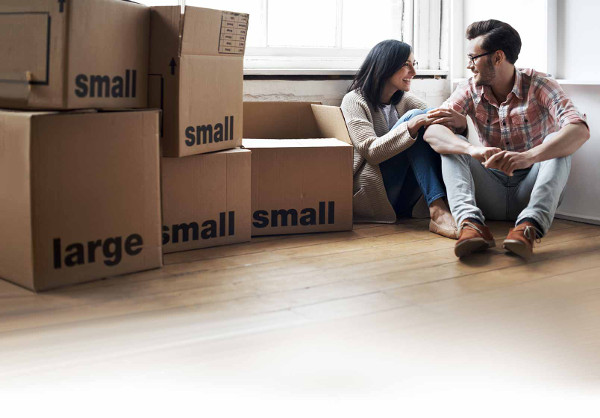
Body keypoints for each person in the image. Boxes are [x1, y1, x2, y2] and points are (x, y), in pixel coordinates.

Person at [424, 19, 590, 259]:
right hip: (489, 189)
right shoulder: (469, 88)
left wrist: (527, 157)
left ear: (498, 57)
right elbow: (432, 131)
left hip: (531, 189)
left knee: (558, 143)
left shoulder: (540, 84)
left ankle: (528, 227)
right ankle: (471, 225)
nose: (469, 65)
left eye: (473, 58)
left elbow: (580, 129)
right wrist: (472, 149)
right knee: (452, 146)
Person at [340, 39, 457, 239]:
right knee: (415, 120)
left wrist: (457, 120)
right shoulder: (354, 100)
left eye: (414, 64)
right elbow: (371, 152)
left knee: (427, 118)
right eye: (406, 64)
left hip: (407, 196)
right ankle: (438, 210)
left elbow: (434, 116)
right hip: (377, 193)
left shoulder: (404, 100)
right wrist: (410, 126)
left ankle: (454, 204)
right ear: (385, 65)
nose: (413, 72)